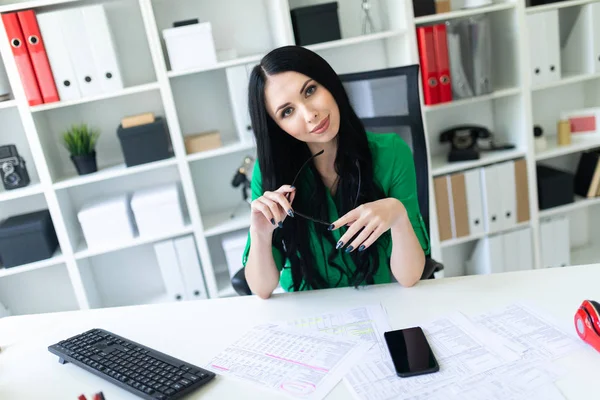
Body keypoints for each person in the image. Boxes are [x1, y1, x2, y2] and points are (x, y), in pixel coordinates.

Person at [241, 45, 430, 299]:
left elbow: (409, 277)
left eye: (310, 90)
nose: (310, 114)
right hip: (308, 313)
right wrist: (260, 234)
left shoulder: (392, 153)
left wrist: (398, 216)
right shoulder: (269, 173)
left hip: (377, 303)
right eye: (287, 111)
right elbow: (261, 289)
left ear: (328, 82)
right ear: (277, 127)